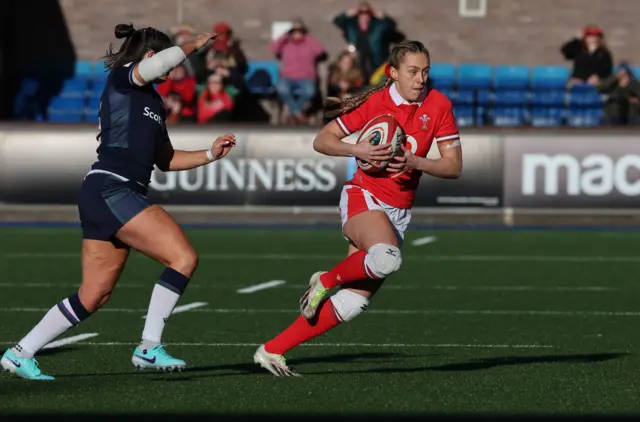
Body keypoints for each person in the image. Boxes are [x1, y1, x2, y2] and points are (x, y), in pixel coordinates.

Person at [0, 23, 236, 380]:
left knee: (93, 295)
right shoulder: (125, 77)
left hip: (109, 194)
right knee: (183, 257)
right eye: (167, 63)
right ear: (152, 56)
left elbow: (166, 159)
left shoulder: (154, 102)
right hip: (112, 188)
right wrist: (194, 45)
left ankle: (21, 353)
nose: (172, 72)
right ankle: (148, 347)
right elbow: (157, 67)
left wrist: (209, 153)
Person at [253, 40, 463, 376]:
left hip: (399, 210)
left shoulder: (438, 105)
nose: (420, 78)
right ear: (392, 73)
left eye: (425, 71)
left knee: (353, 302)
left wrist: (415, 160)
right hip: (363, 196)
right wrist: (359, 149)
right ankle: (324, 279)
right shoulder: (377, 103)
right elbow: (322, 140)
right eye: (412, 72)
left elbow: (453, 167)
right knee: (387, 258)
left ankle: (272, 350)